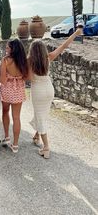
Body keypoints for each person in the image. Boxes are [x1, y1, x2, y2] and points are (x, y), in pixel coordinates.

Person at [28, 27, 83, 159]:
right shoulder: (49, 57)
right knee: (42, 114)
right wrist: (76, 33)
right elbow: (64, 46)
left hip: (38, 91)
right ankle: (36, 135)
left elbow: (29, 78)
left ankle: (46, 147)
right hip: (49, 89)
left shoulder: (29, 61)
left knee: (40, 116)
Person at [0, 38, 28, 153]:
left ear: (13, 49)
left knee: (5, 112)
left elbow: (2, 80)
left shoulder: (5, 60)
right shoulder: (24, 60)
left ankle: (7, 137)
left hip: (7, 89)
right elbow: (27, 77)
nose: (6, 49)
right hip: (19, 90)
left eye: (7, 47)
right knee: (17, 117)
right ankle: (15, 145)